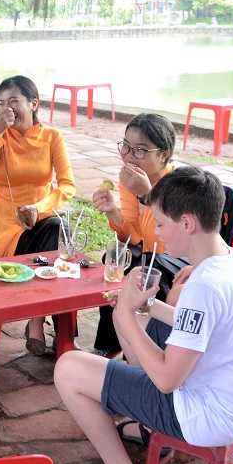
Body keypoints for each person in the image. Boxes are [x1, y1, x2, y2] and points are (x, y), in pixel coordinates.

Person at [54, 166, 233, 464]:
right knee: (141, 323)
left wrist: (124, 312)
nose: (157, 232)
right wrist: (147, 306)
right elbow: (199, 326)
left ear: (187, 223)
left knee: (68, 367)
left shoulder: (205, 285)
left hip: (205, 414)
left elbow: (167, 380)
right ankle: (146, 423)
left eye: (162, 223)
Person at [0, 75, 76, 355]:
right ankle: (39, 319)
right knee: (52, 246)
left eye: (14, 101)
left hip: (41, 218)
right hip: (7, 224)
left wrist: (38, 208)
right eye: (1, 104)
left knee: (56, 226)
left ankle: (36, 319)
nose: (8, 109)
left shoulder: (52, 138)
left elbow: (67, 185)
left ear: (34, 103)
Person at [91, 113, 177, 356]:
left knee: (146, 267)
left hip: (179, 259)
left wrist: (148, 196)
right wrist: (113, 212)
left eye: (140, 150)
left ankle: (148, 348)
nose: (129, 156)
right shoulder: (131, 179)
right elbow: (135, 237)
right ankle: (109, 345)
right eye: (126, 146)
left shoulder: (177, 184)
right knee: (115, 258)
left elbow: (166, 242)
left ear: (163, 154)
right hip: (151, 254)